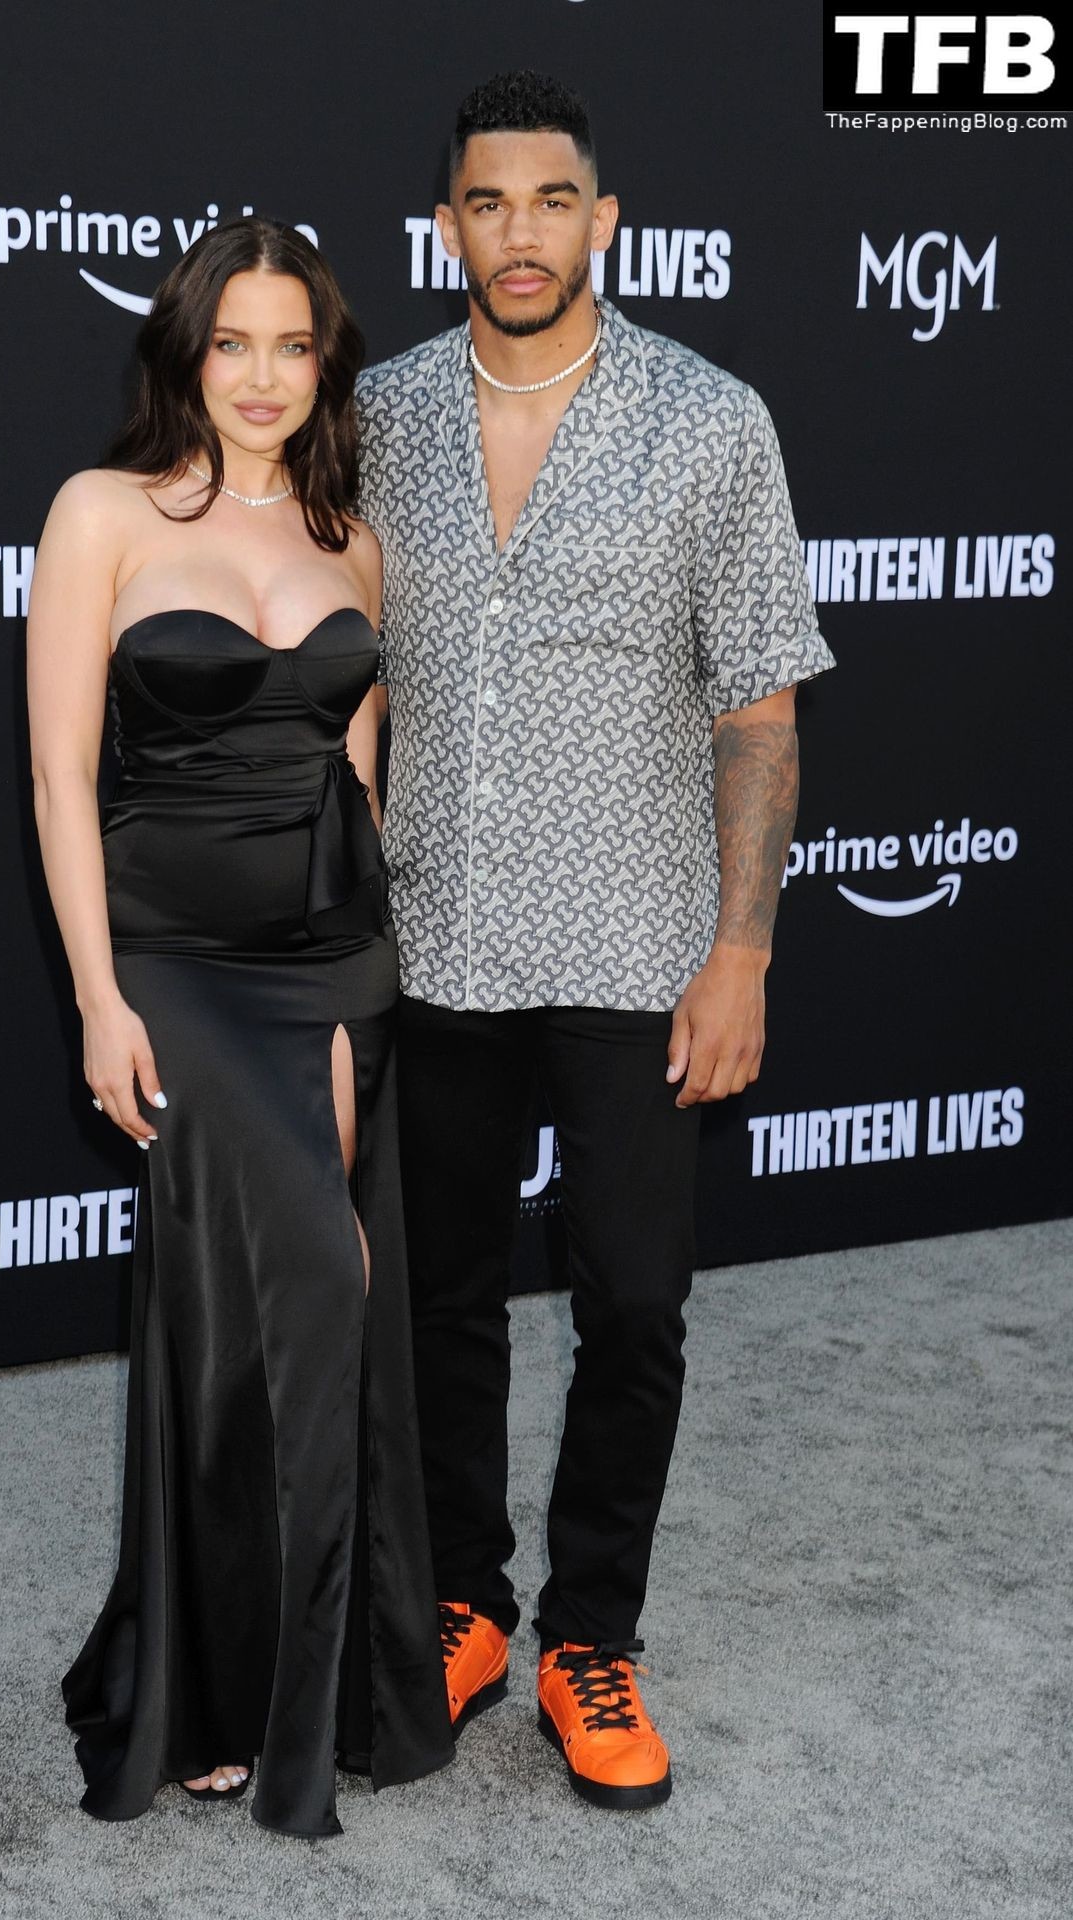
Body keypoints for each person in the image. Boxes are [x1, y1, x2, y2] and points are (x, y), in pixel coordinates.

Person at [356, 70, 835, 1810]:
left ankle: (591, 1634)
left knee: (633, 1301)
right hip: (432, 933)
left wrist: (742, 953)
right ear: (447, 229)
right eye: (486, 202)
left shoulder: (709, 418)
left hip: (640, 941)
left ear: (602, 221)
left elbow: (759, 712)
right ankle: (467, 1600)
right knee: (442, 1298)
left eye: (550, 200)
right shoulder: (377, 414)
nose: (520, 233)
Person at [27, 216, 453, 1840]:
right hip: (178, 963)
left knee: (323, 1304)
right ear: (185, 353)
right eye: (232, 343)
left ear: (324, 363)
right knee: (260, 1304)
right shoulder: (103, 512)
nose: (263, 377)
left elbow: (357, 766)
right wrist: (97, 997)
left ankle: (317, 1681)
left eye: (293, 346)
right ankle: (212, 1688)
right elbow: (61, 776)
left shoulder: (355, 539)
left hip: (336, 956)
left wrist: (374, 960)